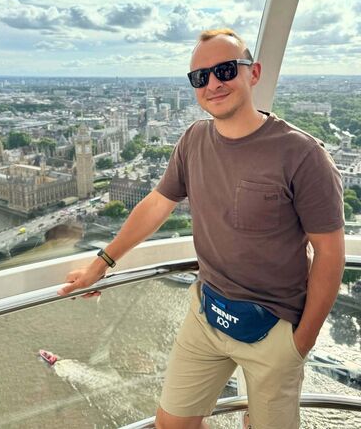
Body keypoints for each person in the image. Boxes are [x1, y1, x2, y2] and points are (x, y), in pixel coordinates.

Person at [58, 28, 345, 429]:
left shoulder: (302, 154)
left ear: (253, 73)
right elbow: (156, 205)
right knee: (171, 424)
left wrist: (301, 342)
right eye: (200, 77)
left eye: (225, 70)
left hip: (275, 326)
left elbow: (330, 254)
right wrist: (100, 264)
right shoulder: (194, 139)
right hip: (207, 313)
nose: (213, 84)